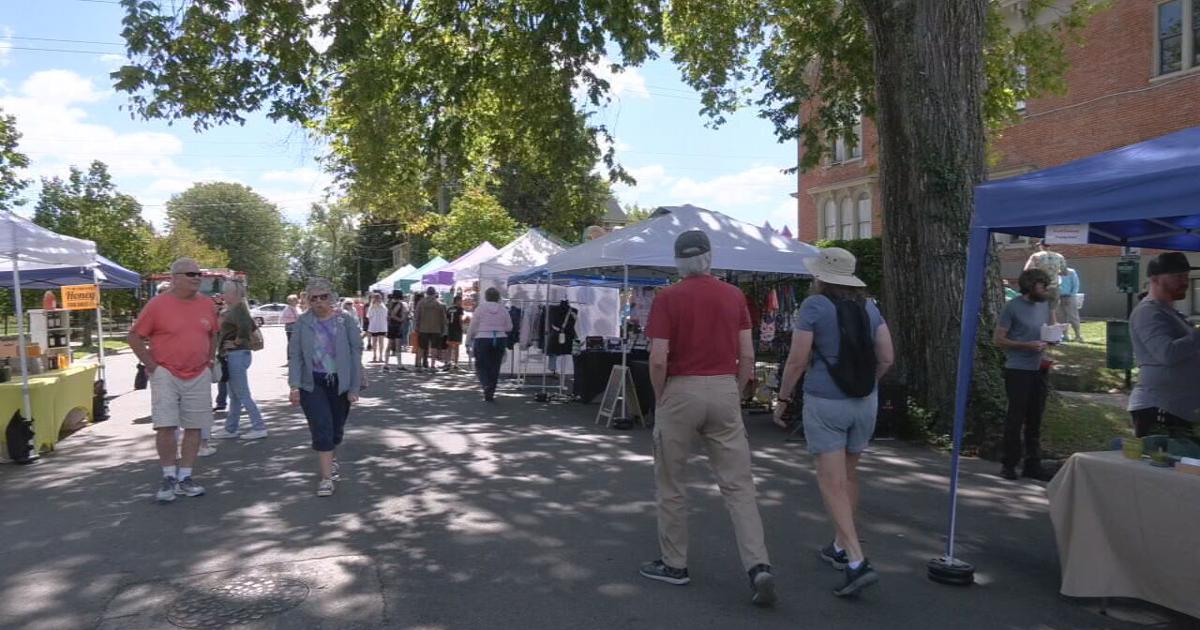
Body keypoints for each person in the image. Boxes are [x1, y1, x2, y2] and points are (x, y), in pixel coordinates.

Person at [640, 230, 776, 607]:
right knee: (738, 485)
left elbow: (657, 357)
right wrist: (734, 386)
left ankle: (675, 563)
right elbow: (747, 356)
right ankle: (757, 564)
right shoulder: (734, 296)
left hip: (680, 389)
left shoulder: (668, 298)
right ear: (710, 257)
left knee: (671, 482)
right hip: (723, 388)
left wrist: (661, 395)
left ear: (678, 261)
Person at [772, 247, 894, 597]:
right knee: (850, 474)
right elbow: (887, 356)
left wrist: (782, 399)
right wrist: (867, 380)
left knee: (831, 482)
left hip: (827, 401)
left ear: (820, 277)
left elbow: (797, 360)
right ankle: (841, 545)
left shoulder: (813, 307)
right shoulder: (870, 308)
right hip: (864, 401)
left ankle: (856, 561)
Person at [128, 258, 217, 503]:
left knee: (195, 426)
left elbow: (213, 334)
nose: (197, 278)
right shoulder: (158, 305)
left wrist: (210, 361)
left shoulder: (207, 304)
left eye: (199, 274)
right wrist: (152, 366)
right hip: (165, 371)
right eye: (191, 274)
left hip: (199, 372)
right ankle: (168, 475)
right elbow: (134, 336)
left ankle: (185, 477)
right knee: (166, 425)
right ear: (175, 277)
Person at [288, 277, 364, 497]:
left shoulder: (345, 320)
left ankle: (331, 456)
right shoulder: (303, 323)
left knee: (336, 429)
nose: (320, 302)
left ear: (331, 298)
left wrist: (354, 388)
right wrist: (294, 385)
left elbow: (355, 353)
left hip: (339, 383)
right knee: (321, 426)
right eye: (314, 298)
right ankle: (326, 478)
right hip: (312, 383)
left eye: (324, 297)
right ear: (308, 301)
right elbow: (295, 356)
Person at [1128, 252, 1200, 439]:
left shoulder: (1171, 313)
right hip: (1159, 409)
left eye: (1185, 276)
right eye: (1178, 276)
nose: (1184, 281)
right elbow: (1167, 353)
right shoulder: (1148, 312)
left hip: (1179, 410)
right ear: (1154, 279)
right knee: (1160, 467)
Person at [994, 268, 1053, 480]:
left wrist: (1053, 338)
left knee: (1035, 417)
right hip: (1018, 369)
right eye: (1041, 285)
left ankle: (1032, 464)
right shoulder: (1013, 307)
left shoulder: (1045, 305)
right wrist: (1025, 345)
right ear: (1030, 285)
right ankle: (1009, 463)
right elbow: (999, 339)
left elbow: (1048, 330)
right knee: (1016, 417)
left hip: (1040, 367)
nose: (1045, 289)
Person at [211, 283, 267, 441]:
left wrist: (236, 342)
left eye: (225, 292)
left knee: (241, 394)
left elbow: (244, 328)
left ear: (235, 294)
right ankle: (231, 428)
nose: (223, 294)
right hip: (235, 354)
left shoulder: (238, 309)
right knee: (234, 395)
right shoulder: (234, 309)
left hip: (237, 354)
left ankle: (259, 427)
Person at [466, 287, 513, 401]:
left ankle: (486, 384)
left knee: (481, 365)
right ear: (498, 297)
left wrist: (468, 341)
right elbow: (509, 327)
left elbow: (472, 326)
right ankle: (491, 390)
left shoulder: (480, 309)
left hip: (482, 338)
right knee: (495, 366)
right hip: (500, 338)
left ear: (486, 297)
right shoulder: (503, 309)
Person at [1023, 239, 1068, 324]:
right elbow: (1065, 272)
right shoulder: (1059, 256)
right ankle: (1052, 331)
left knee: (1037, 309)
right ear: (1050, 246)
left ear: (1041, 246)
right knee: (1052, 311)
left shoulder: (1036, 256)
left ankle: (1039, 330)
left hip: (1040, 288)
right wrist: (1055, 272)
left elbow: (1026, 270)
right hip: (1054, 288)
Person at [415, 287, 448, 373]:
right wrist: (443, 329)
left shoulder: (421, 303)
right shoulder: (440, 304)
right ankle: (432, 366)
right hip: (436, 329)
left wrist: (417, 327)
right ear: (434, 293)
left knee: (421, 347)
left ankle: (418, 365)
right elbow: (443, 319)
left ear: (426, 293)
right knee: (434, 348)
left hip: (423, 328)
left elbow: (416, 316)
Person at [384, 291, 409, 372]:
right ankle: (399, 365)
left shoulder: (389, 303)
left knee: (389, 344)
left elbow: (388, 315)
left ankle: (386, 364)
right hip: (397, 326)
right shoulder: (399, 304)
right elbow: (393, 315)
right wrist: (401, 319)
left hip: (390, 325)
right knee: (398, 345)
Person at [365, 292, 389, 364]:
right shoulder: (372, 307)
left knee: (380, 342)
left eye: (378, 298)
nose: (378, 299)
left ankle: (380, 357)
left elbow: (386, 316)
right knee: (375, 342)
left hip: (380, 326)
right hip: (375, 326)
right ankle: (375, 356)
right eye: (376, 298)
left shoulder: (383, 307)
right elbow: (369, 317)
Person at [444, 294, 465, 371]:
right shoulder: (460, 309)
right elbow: (460, 320)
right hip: (457, 329)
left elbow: (446, 320)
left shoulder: (449, 308)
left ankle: (448, 362)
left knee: (449, 347)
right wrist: (462, 327)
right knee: (456, 347)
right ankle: (456, 363)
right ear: (457, 301)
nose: (461, 302)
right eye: (460, 300)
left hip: (450, 329)